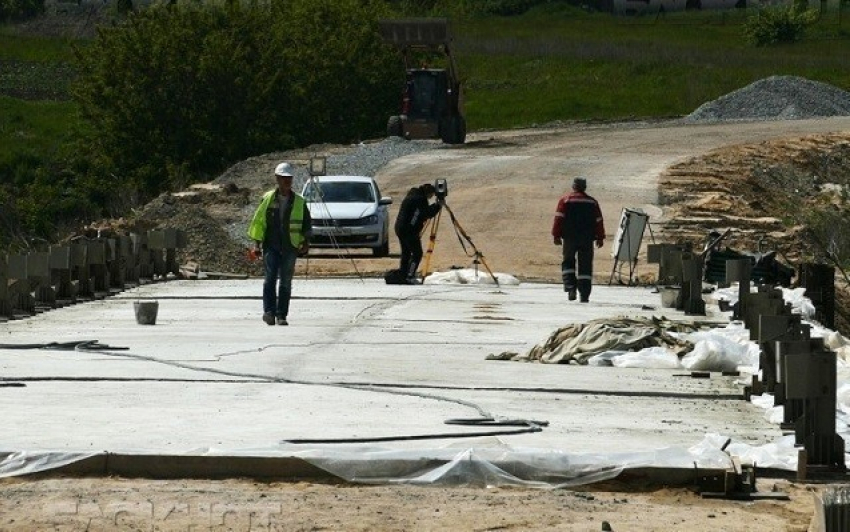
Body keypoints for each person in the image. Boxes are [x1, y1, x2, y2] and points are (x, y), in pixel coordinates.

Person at [247, 162, 312, 326]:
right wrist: (257, 245)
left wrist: (305, 241)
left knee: (285, 281)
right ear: (277, 178)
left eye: (289, 178)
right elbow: (259, 222)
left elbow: (306, 223)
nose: (286, 181)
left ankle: (281, 315)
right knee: (269, 279)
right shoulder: (267, 199)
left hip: (290, 246)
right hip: (271, 245)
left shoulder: (299, 201)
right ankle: (269, 312)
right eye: (283, 178)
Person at [552, 177, 605, 303]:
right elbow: (599, 221)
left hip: (570, 238)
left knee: (568, 263)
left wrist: (556, 235)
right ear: (585, 187)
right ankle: (584, 295)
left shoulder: (565, 200)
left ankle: (571, 289)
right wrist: (600, 237)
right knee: (585, 267)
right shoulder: (592, 202)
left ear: (573, 186)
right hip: (587, 239)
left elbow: (558, 218)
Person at [394, 183, 442, 284]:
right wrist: (437, 206)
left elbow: (421, 213)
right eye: (431, 195)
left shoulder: (413, 195)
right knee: (417, 253)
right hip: (409, 230)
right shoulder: (420, 199)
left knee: (406, 253)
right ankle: (410, 275)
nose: (430, 198)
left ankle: (403, 275)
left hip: (400, 228)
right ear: (428, 192)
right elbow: (426, 213)